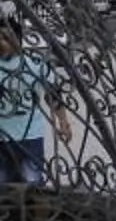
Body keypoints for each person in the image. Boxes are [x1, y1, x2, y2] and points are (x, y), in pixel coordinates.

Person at [0, 13, 70, 187]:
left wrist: (63, 122)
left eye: (5, 38)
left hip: (30, 136)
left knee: (33, 186)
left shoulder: (35, 64)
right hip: (2, 139)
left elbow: (52, 95)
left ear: (18, 39)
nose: (1, 43)